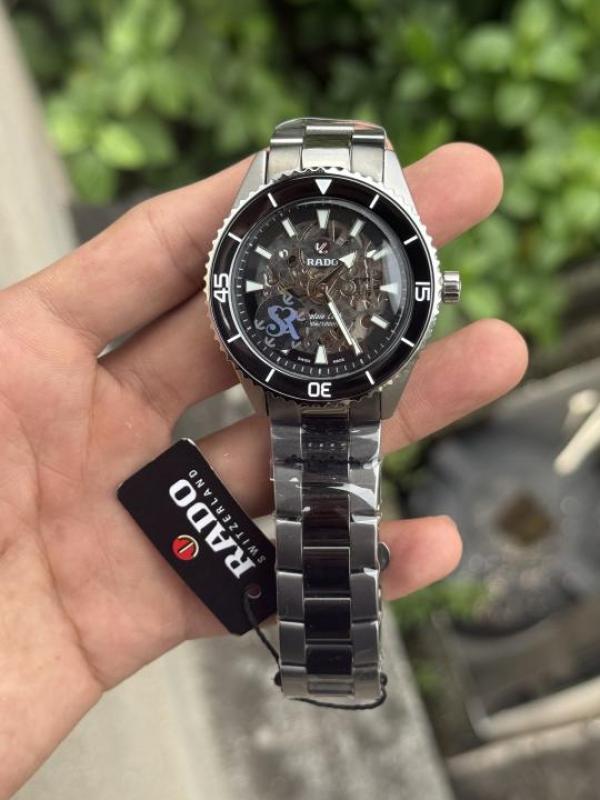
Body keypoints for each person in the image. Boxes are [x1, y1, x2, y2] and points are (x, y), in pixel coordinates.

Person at [0, 142, 527, 799]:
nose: (327, 291)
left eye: (345, 283)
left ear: (431, 291)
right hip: (301, 379)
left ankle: (326, 663)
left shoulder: (324, 267)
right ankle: (326, 663)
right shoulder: (304, 282)